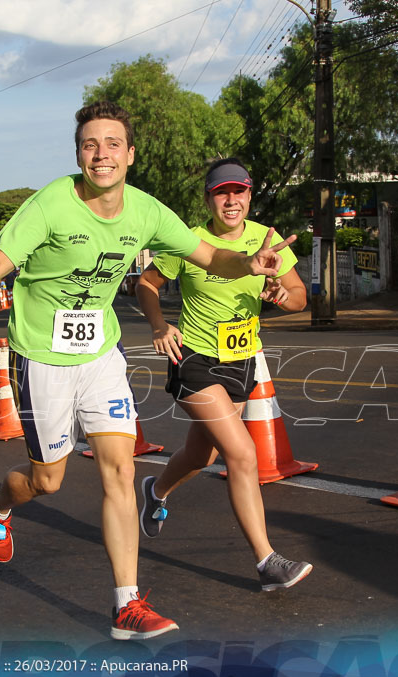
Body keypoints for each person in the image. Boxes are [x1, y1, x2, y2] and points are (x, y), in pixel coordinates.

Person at [0, 102, 295, 640]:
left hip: (100, 357)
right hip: (41, 356)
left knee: (118, 469)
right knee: (46, 481)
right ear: (78, 154)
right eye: (91, 145)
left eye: (112, 144)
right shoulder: (50, 202)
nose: (102, 155)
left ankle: (127, 603)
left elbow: (211, 256)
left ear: (130, 154)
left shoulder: (146, 211)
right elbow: (2, 258)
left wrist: (248, 264)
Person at [135, 158, 313, 592]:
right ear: (209, 198)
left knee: (202, 456)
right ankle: (267, 561)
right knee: (243, 454)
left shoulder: (268, 240)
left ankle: (155, 492)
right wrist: (160, 326)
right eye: (221, 192)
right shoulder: (190, 242)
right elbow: (146, 283)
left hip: (242, 362)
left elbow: (299, 298)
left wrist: (279, 294)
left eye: (239, 191)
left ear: (250, 195)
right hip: (193, 358)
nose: (231, 200)